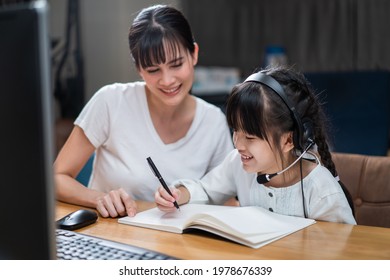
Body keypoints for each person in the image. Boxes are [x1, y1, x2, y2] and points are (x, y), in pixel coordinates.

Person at [54, 5, 233, 218]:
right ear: (139, 69)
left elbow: (227, 197)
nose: (167, 80)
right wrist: (98, 198)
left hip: (179, 246)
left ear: (193, 54)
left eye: (176, 64)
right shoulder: (111, 102)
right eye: (153, 70)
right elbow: (56, 178)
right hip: (109, 238)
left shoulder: (213, 122)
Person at [155, 65, 357, 225]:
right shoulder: (238, 164)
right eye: (235, 130)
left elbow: (346, 249)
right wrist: (179, 194)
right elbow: (207, 190)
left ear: (288, 140)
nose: (238, 144)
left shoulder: (321, 190)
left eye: (250, 137)